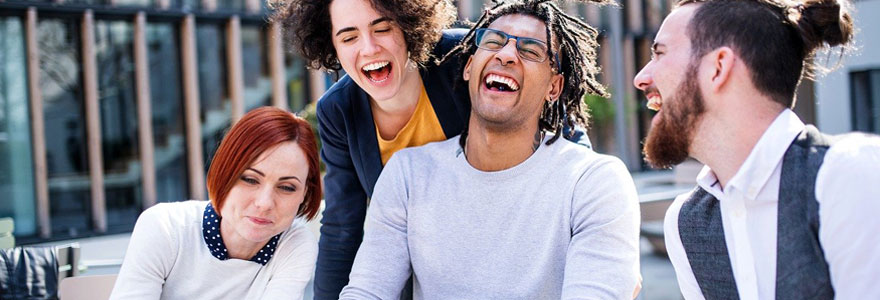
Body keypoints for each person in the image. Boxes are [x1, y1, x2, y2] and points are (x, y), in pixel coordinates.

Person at [272, 0, 593, 298]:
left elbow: (563, 135)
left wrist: (594, 230)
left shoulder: (462, 56)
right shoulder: (338, 110)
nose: (369, 48)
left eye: (382, 29)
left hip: (517, 253)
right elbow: (342, 227)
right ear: (332, 46)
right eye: (348, 37)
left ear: (409, 25)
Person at [339, 0, 641, 298]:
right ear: (469, 67)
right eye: (494, 42)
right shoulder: (408, 175)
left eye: (531, 50)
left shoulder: (593, 183)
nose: (507, 55)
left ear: (554, 88)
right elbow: (367, 291)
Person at [633, 0, 880, 298]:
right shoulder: (685, 222)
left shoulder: (849, 174)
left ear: (718, 67)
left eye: (659, 53)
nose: (641, 78)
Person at [110, 107, 322, 299]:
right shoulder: (166, 228)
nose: (264, 203)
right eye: (250, 179)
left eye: (286, 188)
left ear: (305, 192)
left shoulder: (294, 244)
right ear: (224, 173)